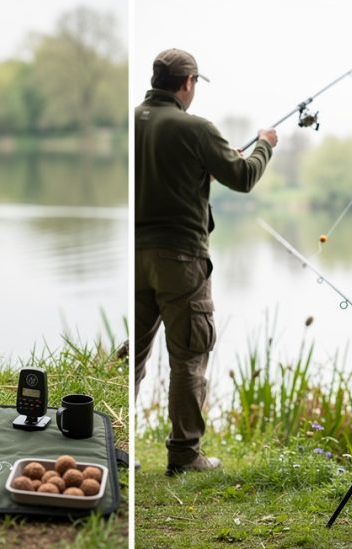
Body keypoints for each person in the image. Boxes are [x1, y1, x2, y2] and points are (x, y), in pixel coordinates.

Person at [134, 48, 278, 476]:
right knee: (189, 355)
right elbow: (244, 177)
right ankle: (184, 455)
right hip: (181, 259)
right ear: (188, 83)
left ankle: (113, 445)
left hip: (134, 257)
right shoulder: (196, 128)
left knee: (136, 356)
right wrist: (264, 147)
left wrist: (203, 169)